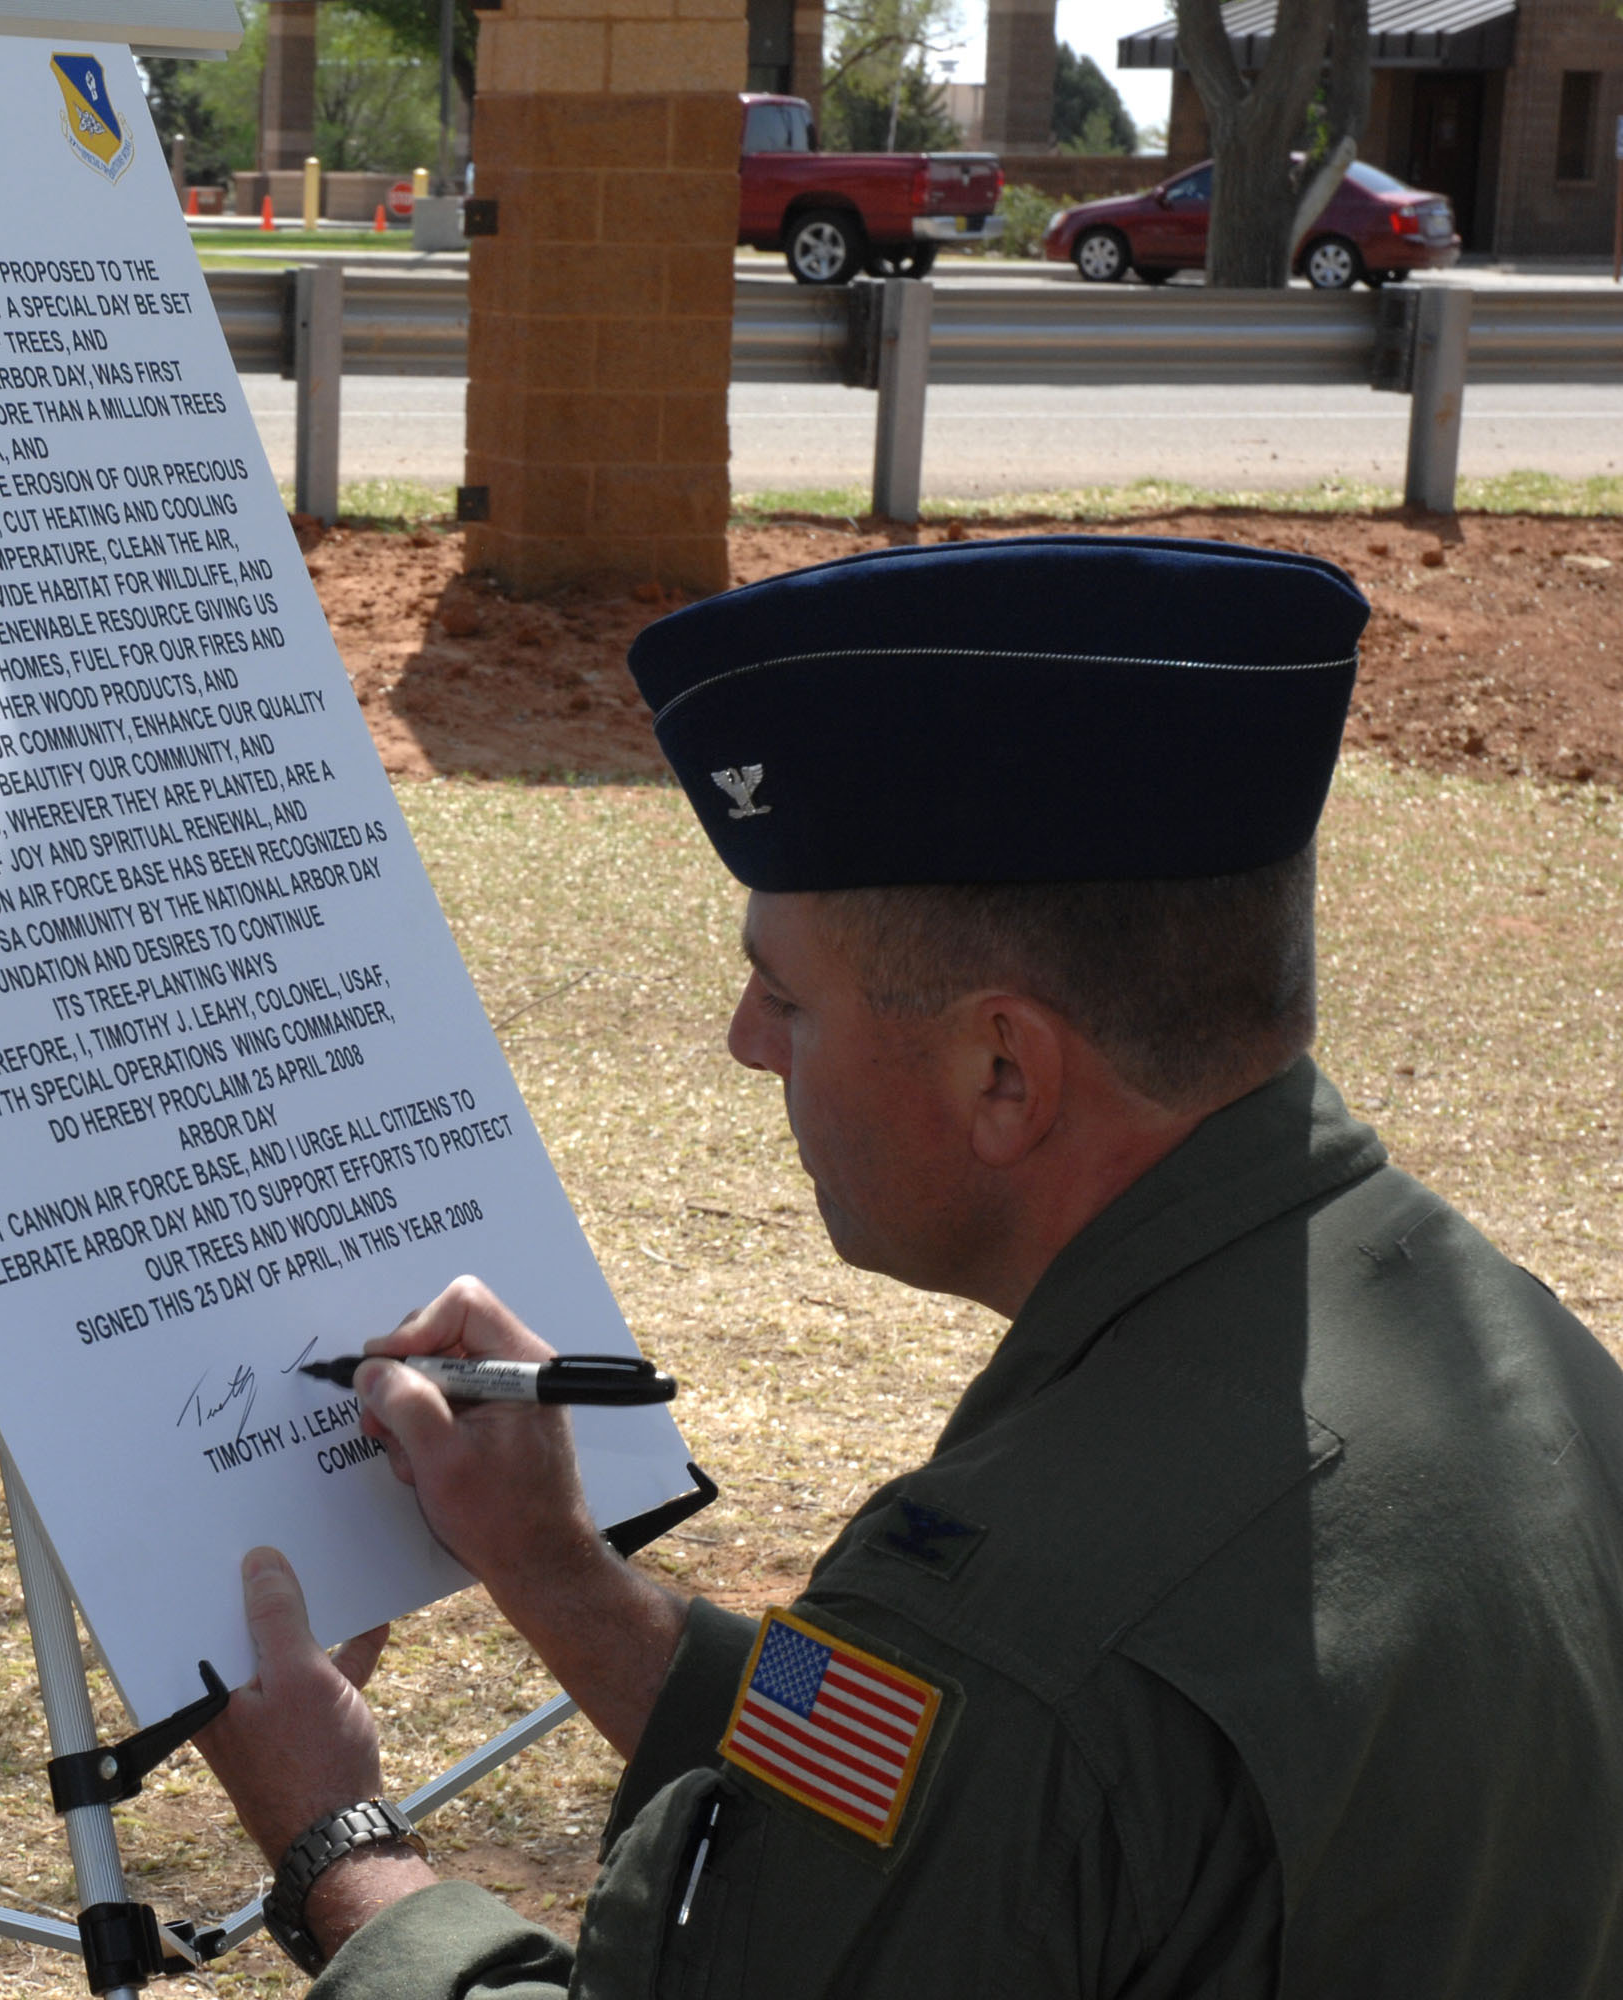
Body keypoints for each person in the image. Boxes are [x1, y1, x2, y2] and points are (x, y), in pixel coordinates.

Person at [192, 537, 1623, 1996]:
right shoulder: (1520, 1352)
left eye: (785, 996)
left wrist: (332, 1842)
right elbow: (921, 1779)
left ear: (1006, 1069)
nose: (748, 1043)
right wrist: (567, 1581)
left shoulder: (1013, 1638)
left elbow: (983, 1746)